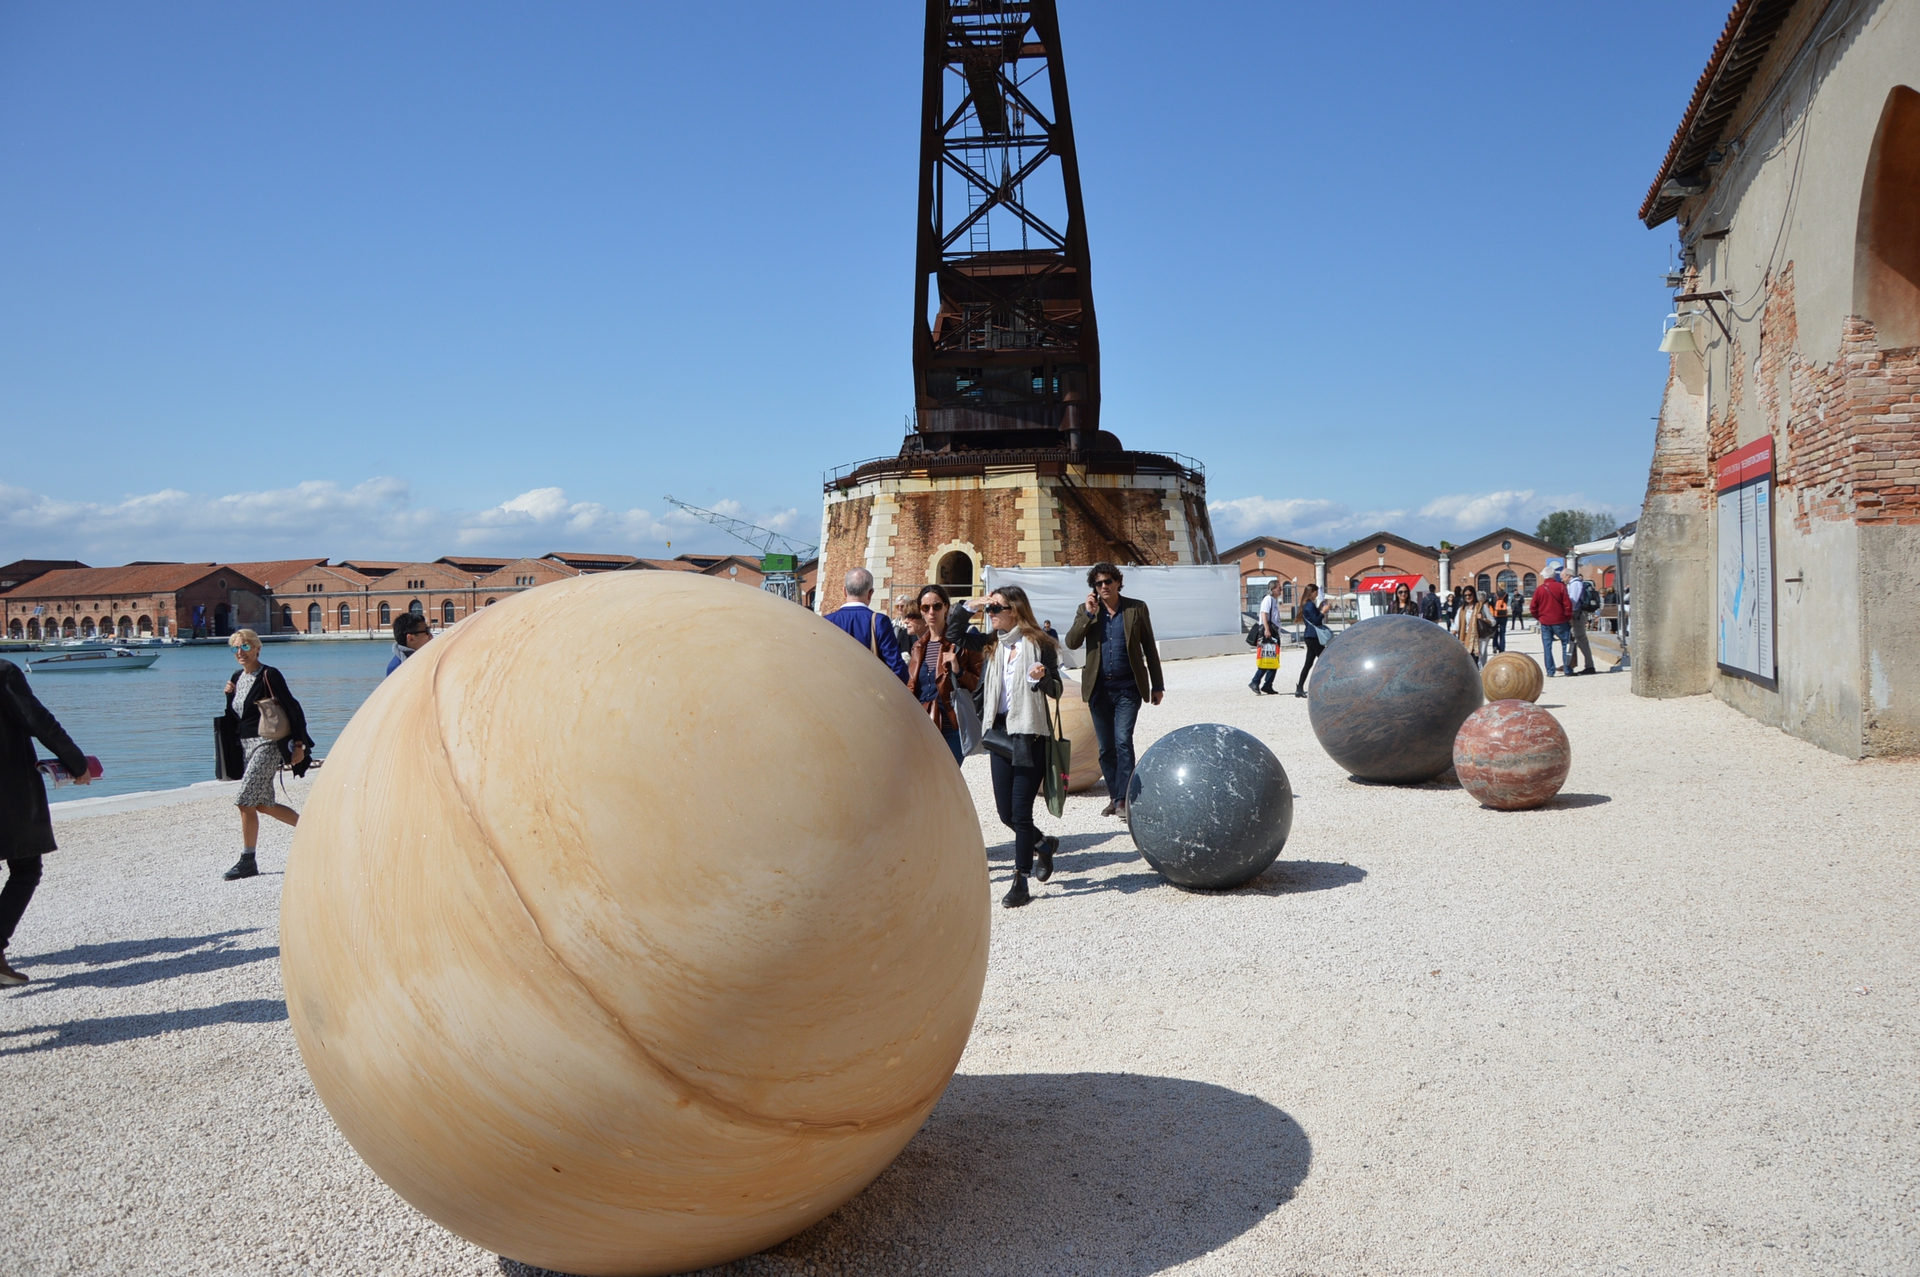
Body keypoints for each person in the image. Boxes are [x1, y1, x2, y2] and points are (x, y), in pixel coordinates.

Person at [0, 659, 91, 986]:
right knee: (25, 868)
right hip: (7, 790)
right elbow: (38, 721)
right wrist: (76, 762)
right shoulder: (4, 672)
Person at [977, 585, 1062, 908]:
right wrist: (974, 602)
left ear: (1015, 610)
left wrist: (1041, 678)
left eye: (996, 608)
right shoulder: (992, 644)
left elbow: (1055, 689)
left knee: (1021, 813)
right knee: (1005, 814)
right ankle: (1043, 843)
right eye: (989, 609)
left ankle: (1020, 880)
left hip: (1029, 734)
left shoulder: (1040, 644)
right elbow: (956, 632)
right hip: (999, 732)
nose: (991, 614)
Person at [1064, 563, 1164, 818]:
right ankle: (1115, 796)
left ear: (1118, 581)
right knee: (1106, 748)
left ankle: (1124, 799)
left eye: (1108, 581)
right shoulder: (1086, 610)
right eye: (1098, 583)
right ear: (1093, 588)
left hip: (1128, 688)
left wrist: (1157, 685)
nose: (1104, 586)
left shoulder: (1136, 608)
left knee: (1122, 741)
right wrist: (1088, 615)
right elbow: (1071, 642)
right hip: (1099, 689)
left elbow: (1149, 648)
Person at [221, 630, 315, 881]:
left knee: (244, 800)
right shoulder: (236, 678)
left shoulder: (269, 674)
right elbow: (237, 718)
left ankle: (247, 860)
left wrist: (298, 744)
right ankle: (313, 830)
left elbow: (293, 707)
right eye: (235, 649)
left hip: (269, 743)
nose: (240, 652)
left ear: (257, 648)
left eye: (245, 647)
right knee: (261, 804)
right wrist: (229, 695)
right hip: (246, 745)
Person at [904, 585, 983, 765]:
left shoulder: (964, 643)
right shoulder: (918, 647)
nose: (932, 612)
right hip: (923, 727)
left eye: (937, 606)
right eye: (926, 608)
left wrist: (959, 671)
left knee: (947, 783)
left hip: (952, 728)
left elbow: (980, 686)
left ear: (946, 607)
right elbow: (912, 688)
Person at [824, 568, 908, 683]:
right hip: (871, 691)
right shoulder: (879, 621)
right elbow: (896, 666)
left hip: (836, 689)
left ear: (844, 591)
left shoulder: (827, 621)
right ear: (870, 593)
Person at [1531, 567, 1574, 676]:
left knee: (1547, 646)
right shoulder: (1561, 587)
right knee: (1566, 644)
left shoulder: (1539, 589)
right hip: (1560, 620)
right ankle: (1567, 669)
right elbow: (1567, 604)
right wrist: (1568, 617)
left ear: (1544, 576)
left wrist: (1539, 617)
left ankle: (1550, 671)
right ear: (1555, 576)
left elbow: (1533, 608)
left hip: (1545, 621)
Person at [1249, 579, 1284, 695]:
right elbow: (1264, 614)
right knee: (1267, 658)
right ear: (1273, 589)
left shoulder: (1274, 600)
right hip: (1268, 633)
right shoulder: (1268, 599)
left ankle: (1268, 684)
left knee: (1273, 659)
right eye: (1279, 587)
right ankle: (1255, 681)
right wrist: (1267, 629)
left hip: (1274, 633)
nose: (1281, 589)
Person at [1295, 583, 1330, 698]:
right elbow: (1316, 621)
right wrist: (1323, 612)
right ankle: (1325, 685)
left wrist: (1320, 608)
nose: (1316, 595)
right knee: (1326, 660)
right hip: (1314, 637)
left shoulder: (1307, 604)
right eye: (1315, 593)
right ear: (1312, 592)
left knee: (1308, 664)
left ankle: (1299, 688)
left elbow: (1313, 617)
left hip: (1310, 636)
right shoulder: (1309, 605)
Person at [1565, 570, 1598, 675]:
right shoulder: (1575, 583)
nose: (1562, 579)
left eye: (1563, 577)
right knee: (1577, 639)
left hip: (1578, 614)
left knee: (1581, 639)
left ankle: (1589, 665)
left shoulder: (1575, 584)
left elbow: (1573, 601)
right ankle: (1570, 663)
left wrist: (1569, 614)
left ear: (1568, 575)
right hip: (1579, 614)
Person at [1455, 585, 1494, 667]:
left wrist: (1483, 618)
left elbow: (1493, 622)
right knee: (1467, 664)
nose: (1468, 597)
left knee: (1476, 663)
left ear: (1474, 595)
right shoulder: (1462, 609)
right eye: (1465, 595)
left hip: (1478, 639)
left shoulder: (1482, 607)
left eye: (1470, 595)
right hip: (1465, 639)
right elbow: (1456, 626)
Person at [386, 611, 432, 676]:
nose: (431, 635)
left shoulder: (427, 657)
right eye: (427, 631)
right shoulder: (396, 668)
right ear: (410, 638)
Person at [1491, 589, 1509, 653]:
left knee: (1495, 632)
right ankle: (1502, 648)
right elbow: (1506, 602)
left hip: (1496, 615)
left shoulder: (1494, 595)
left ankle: (1495, 645)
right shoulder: (1506, 595)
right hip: (1504, 616)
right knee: (1502, 633)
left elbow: (1492, 604)